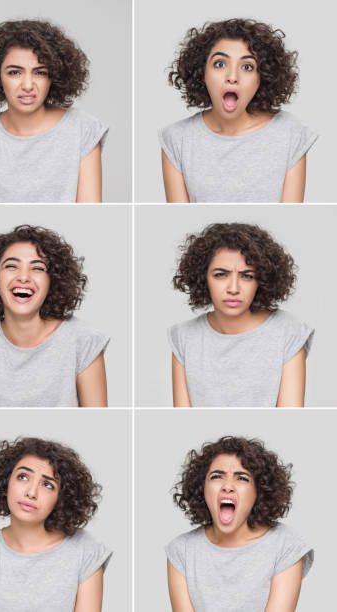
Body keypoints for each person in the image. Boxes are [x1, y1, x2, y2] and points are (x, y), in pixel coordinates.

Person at [160, 19, 317, 202]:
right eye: (220, 64)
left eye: (247, 67)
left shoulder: (291, 133)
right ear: (203, 73)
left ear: (262, 77)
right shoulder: (176, 139)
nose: (232, 77)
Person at [0, 225, 108, 406]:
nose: (23, 277)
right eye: (11, 266)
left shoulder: (84, 341)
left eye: (37, 268)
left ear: (52, 282)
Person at [0, 20, 108, 202]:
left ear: (53, 76)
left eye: (39, 72)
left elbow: (89, 212)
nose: (28, 85)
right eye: (15, 73)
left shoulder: (83, 130)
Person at [169, 223, 313, 407]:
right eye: (221, 275)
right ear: (203, 277)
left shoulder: (288, 332)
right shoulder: (183, 337)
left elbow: (290, 416)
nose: (233, 289)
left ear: (261, 280)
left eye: (247, 276)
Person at [0, 437, 111, 612]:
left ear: (61, 498)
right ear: (6, 482)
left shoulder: (86, 552)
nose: (31, 492)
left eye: (47, 485)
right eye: (23, 477)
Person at [166, 436, 313, 612]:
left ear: (258, 491)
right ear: (202, 488)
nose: (228, 486)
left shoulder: (286, 546)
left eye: (242, 478)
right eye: (217, 476)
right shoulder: (181, 551)